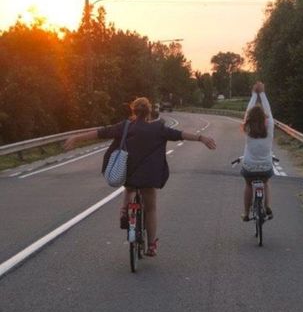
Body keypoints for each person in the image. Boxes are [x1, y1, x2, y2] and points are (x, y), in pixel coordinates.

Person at [64, 97, 216, 256]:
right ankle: (151, 246)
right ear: (149, 111)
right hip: (150, 176)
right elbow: (181, 135)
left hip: (129, 174)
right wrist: (201, 138)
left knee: (129, 187)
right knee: (150, 209)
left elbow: (99, 133)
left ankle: (124, 210)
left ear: (133, 111)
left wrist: (76, 138)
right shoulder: (159, 128)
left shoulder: (125, 127)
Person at [240, 81, 274, 221]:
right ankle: (267, 206)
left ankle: (246, 213)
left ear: (250, 119)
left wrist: (254, 94)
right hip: (266, 166)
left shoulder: (247, 128)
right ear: (264, 118)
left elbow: (247, 112)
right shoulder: (269, 127)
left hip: (249, 166)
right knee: (265, 183)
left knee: (248, 184)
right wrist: (262, 93)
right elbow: (269, 111)